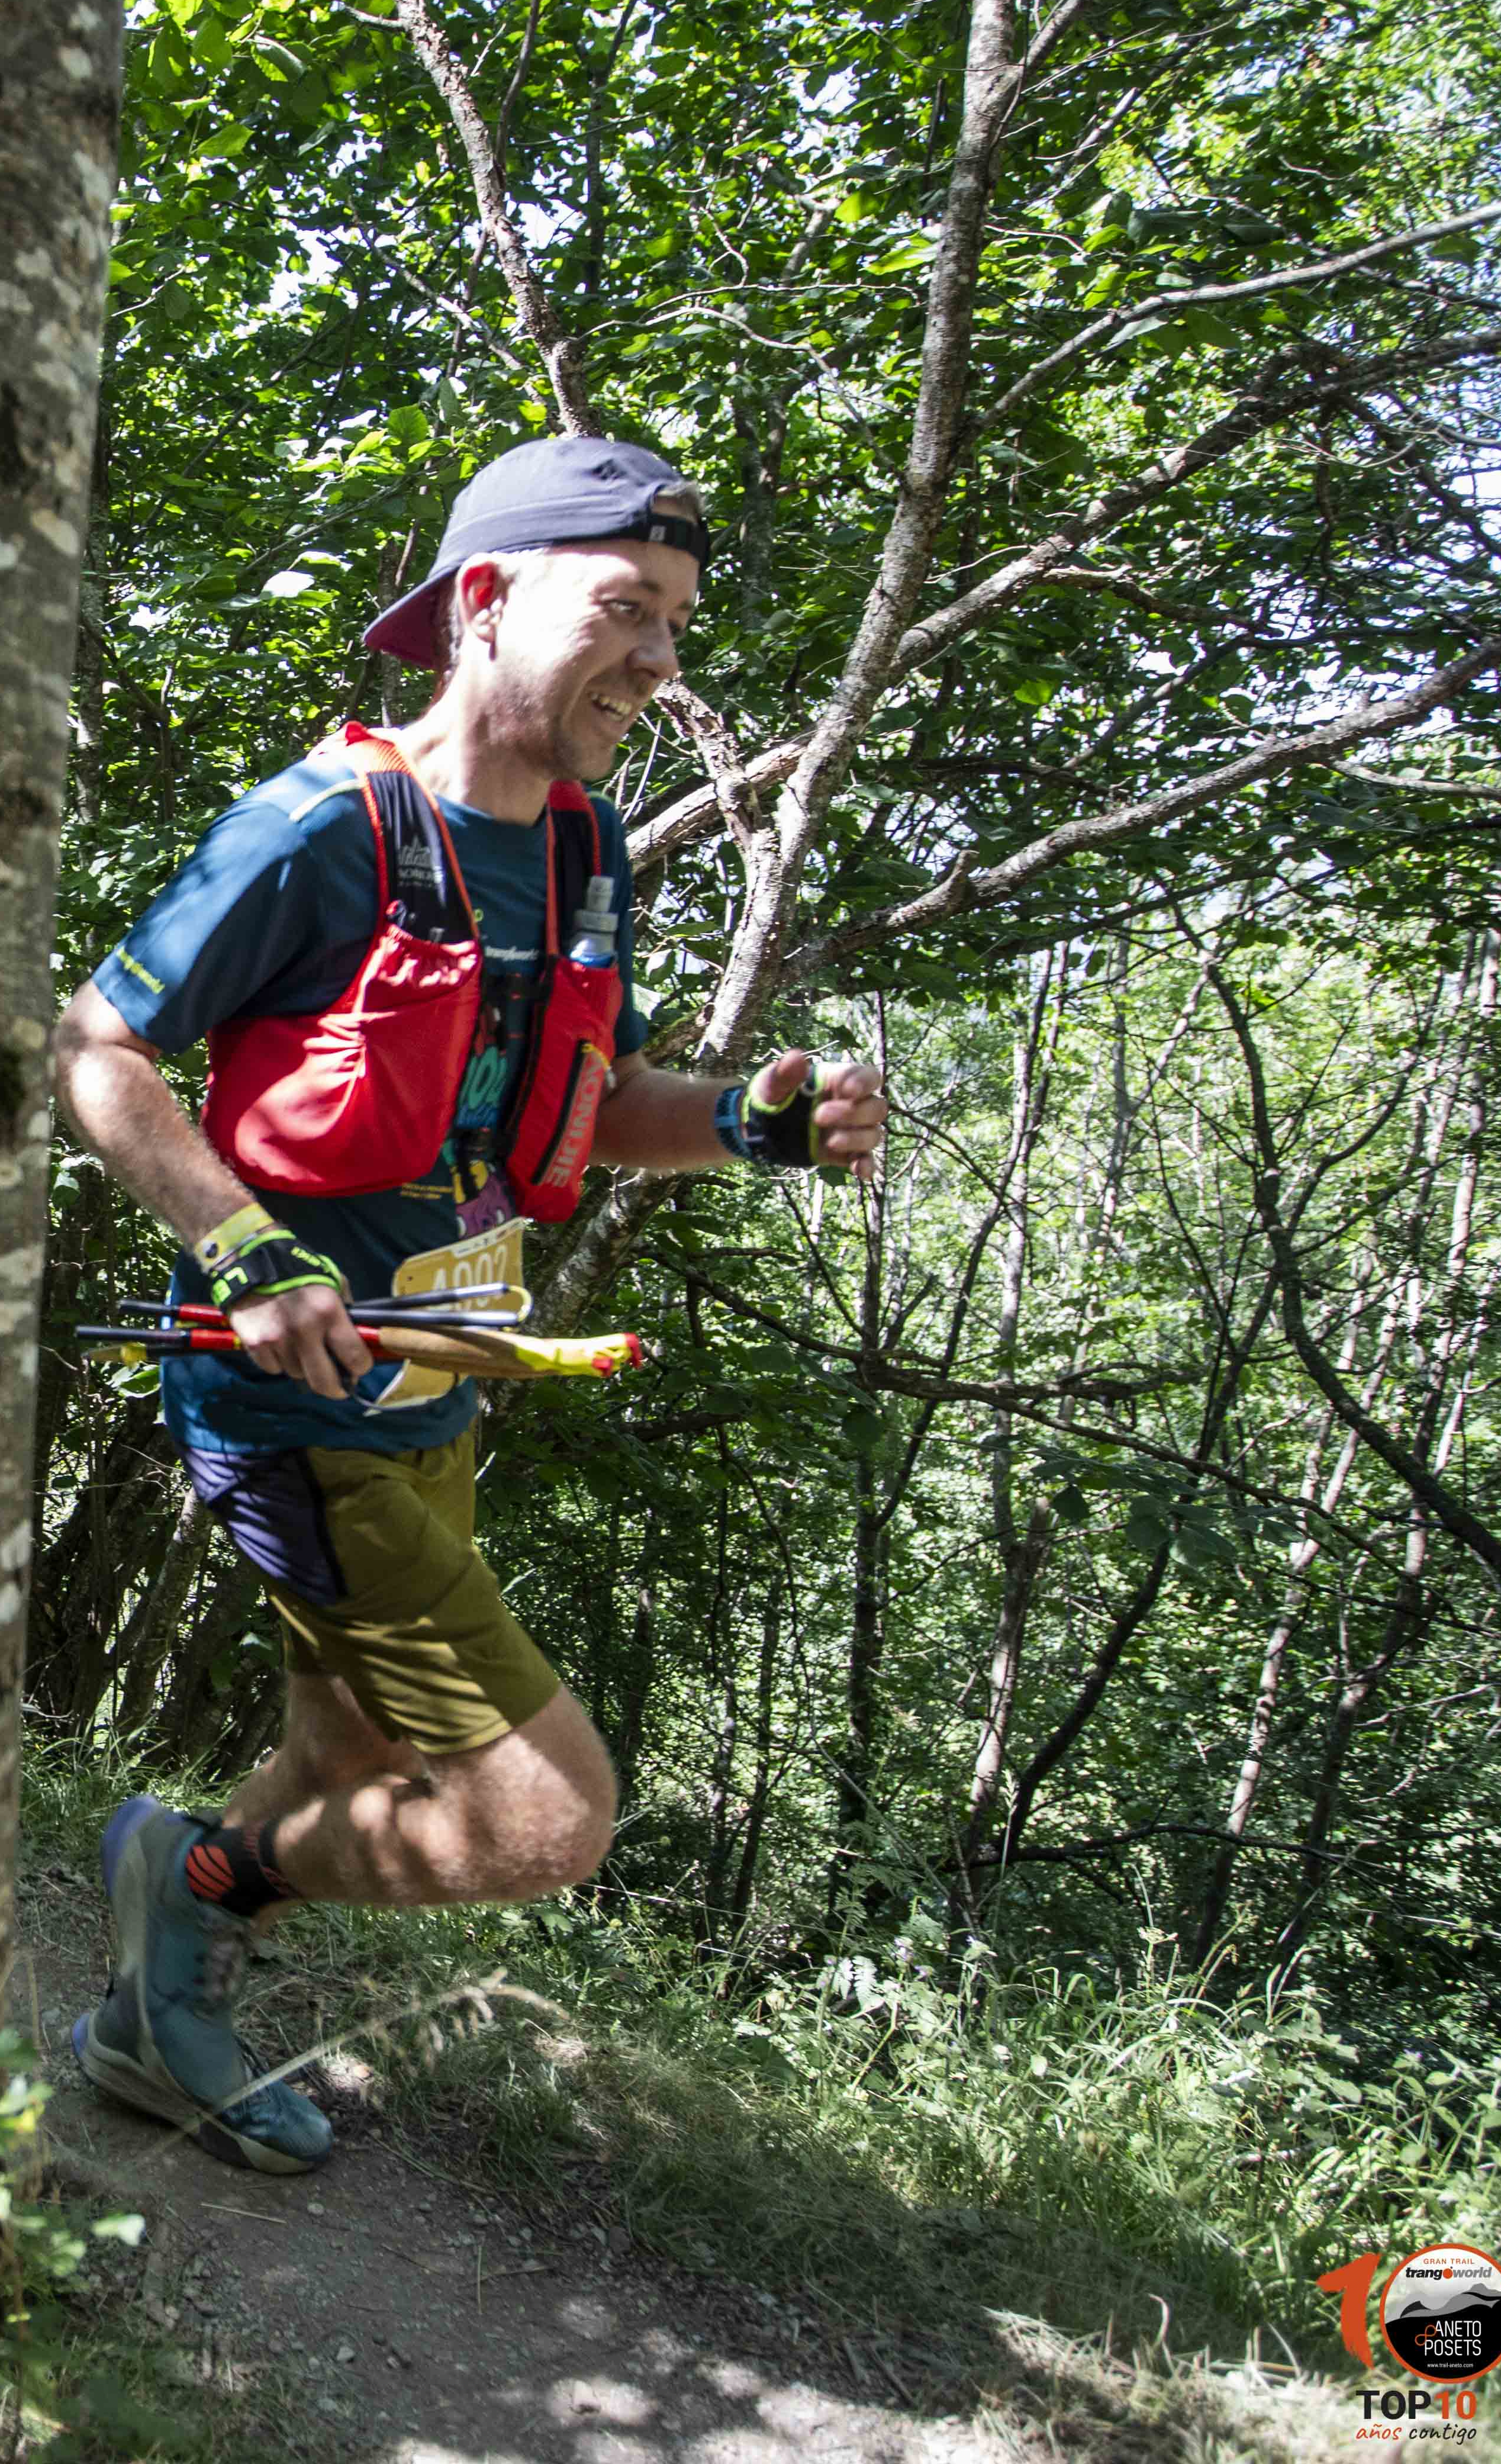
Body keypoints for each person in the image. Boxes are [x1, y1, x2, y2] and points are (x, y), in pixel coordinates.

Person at [47, 436, 891, 2173]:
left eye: (675, 627)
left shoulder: (583, 849)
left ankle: (155, 2022)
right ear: (485, 602)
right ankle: (190, 1881)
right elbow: (99, 1048)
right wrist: (242, 1245)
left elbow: (598, 1101)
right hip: (296, 1411)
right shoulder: (319, 832)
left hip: (441, 1389)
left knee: (344, 1736)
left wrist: (750, 1125)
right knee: (541, 1815)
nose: (659, 664)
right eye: (627, 611)